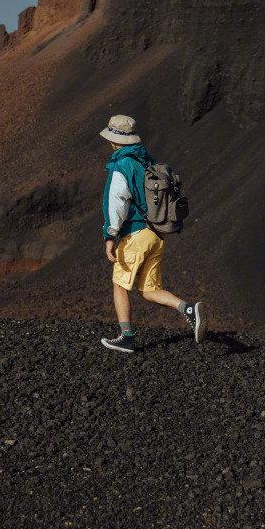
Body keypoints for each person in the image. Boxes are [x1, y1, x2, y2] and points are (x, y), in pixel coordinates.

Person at [99, 114, 206, 353]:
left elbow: (116, 203)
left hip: (136, 233)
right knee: (149, 290)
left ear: (114, 141)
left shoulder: (121, 166)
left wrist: (110, 236)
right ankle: (188, 309)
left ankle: (126, 337)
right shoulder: (147, 161)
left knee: (120, 284)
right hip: (156, 234)